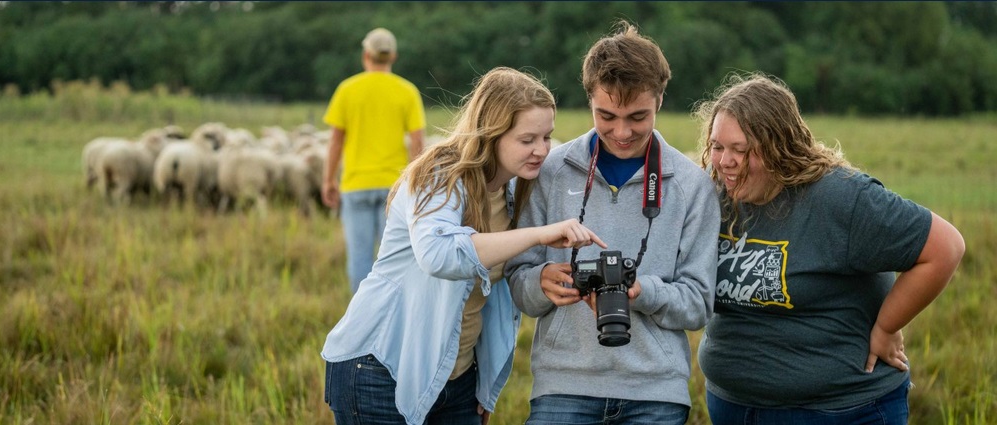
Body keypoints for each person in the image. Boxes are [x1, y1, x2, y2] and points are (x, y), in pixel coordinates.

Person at [322, 67, 607, 425]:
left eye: (547, 137)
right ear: (492, 134)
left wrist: (483, 384)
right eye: (527, 139)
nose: (541, 150)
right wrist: (539, 234)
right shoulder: (439, 175)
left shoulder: (513, 190)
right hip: (381, 368)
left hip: (456, 379)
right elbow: (440, 254)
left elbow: (494, 292)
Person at [694, 73, 966, 424]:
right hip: (733, 406)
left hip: (840, 410)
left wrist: (886, 327)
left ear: (779, 147)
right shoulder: (712, 195)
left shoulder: (839, 198)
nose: (724, 162)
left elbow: (945, 247)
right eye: (717, 146)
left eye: (741, 150)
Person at [504, 21, 720, 424]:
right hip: (563, 387)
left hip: (656, 392)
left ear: (660, 99)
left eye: (638, 116)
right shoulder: (547, 172)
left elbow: (698, 305)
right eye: (606, 115)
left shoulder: (692, 186)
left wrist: (642, 292)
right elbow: (518, 284)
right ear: (589, 100)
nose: (622, 132)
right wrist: (542, 281)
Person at [322, 27, 427, 293]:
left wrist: (328, 180)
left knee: (359, 258)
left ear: (366, 54)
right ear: (393, 56)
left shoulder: (347, 89)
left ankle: (362, 318)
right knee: (395, 258)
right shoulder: (407, 91)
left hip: (356, 184)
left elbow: (336, 140)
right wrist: (416, 183)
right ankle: (394, 314)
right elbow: (417, 143)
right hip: (395, 187)